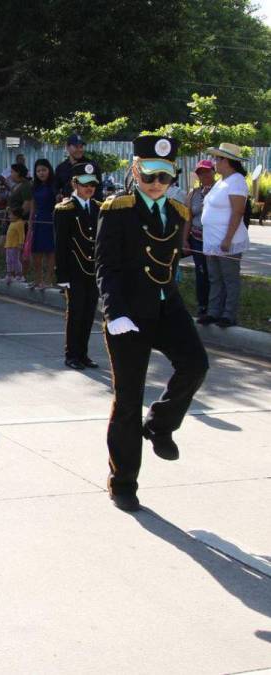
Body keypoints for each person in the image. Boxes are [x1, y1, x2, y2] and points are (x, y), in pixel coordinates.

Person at [95, 134, 209, 513]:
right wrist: (114, 312)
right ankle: (123, 481)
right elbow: (106, 266)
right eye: (149, 177)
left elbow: (170, 265)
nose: (156, 185)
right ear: (135, 171)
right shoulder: (117, 210)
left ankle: (159, 424)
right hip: (129, 312)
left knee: (195, 364)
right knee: (128, 400)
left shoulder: (178, 213)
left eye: (164, 177)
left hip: (165, 304)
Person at [54, 162, 101, 370]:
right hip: (74, 270)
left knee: (89, 312)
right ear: (75, 184)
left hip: (93, 269)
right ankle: (71, 354)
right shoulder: (65, 209)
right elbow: (61, 244)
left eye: (92, 184)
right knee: (75, 313)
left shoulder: (99, 208)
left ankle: (83, 354)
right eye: (84, 184)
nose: (89, 188)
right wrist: (62, 274)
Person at [199, 143, 250, 328]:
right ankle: (214, 312)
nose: (214, 162)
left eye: (217, 159)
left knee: (229, 278)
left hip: (227, 240)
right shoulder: (221, 181)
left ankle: (228, 314)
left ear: (227, 161)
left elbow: (238, 212)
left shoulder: (237, 180)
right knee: (215, 278)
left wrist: (228, 238)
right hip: (213, 241)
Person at [183, 160, 215, 318]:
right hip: (197, 238)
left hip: (214, 239)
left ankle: (216, 307)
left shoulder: (220, 190)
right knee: (201, 273)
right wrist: (184, 239)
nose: (205, 175)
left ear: (214, 172)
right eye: (201, 172)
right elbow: (188, 218)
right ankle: (203, 305)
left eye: (208, 171)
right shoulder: (193, 193)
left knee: (214, 274)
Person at [27, 159, 58, 289]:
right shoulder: (35, 186)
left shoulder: (54, 185)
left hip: (50, 221)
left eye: (44, 170)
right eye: (38, 171)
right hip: (38, 221)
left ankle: (48, 280)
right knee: (36, 252)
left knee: (50, 252)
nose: (41, 173)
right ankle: (37, 279)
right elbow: (33, 206)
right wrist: (30, 223)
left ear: (49, 170)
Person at [55, 134, 103, 199]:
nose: (79, 150)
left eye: (81, 147)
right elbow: (55, 189)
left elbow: (99, 190)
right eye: (76, 147)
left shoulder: (92, 166)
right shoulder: (61, 168)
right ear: (67, 147)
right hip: (68, 207)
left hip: (88, 206)